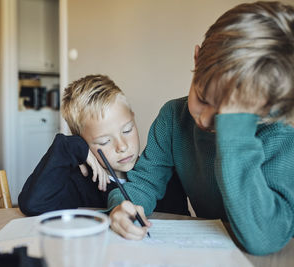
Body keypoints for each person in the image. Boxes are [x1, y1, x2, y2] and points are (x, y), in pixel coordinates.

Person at [108, 1, 294, 255]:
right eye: (203, 98)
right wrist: (122, 206)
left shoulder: (282, 134)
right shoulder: (173, 116)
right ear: (197, 59)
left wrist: (235, 135)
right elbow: (144, 183)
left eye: (227, 117)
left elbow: (264, 240)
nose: (205, 120)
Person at [18, 74, 188, 216]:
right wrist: (70, 147)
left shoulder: (160, 173)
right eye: (104, 141)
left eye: (127, 130)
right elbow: (33, 204)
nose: (122, 146)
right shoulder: (80, 183)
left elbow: (182, 223)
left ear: (133, 117)